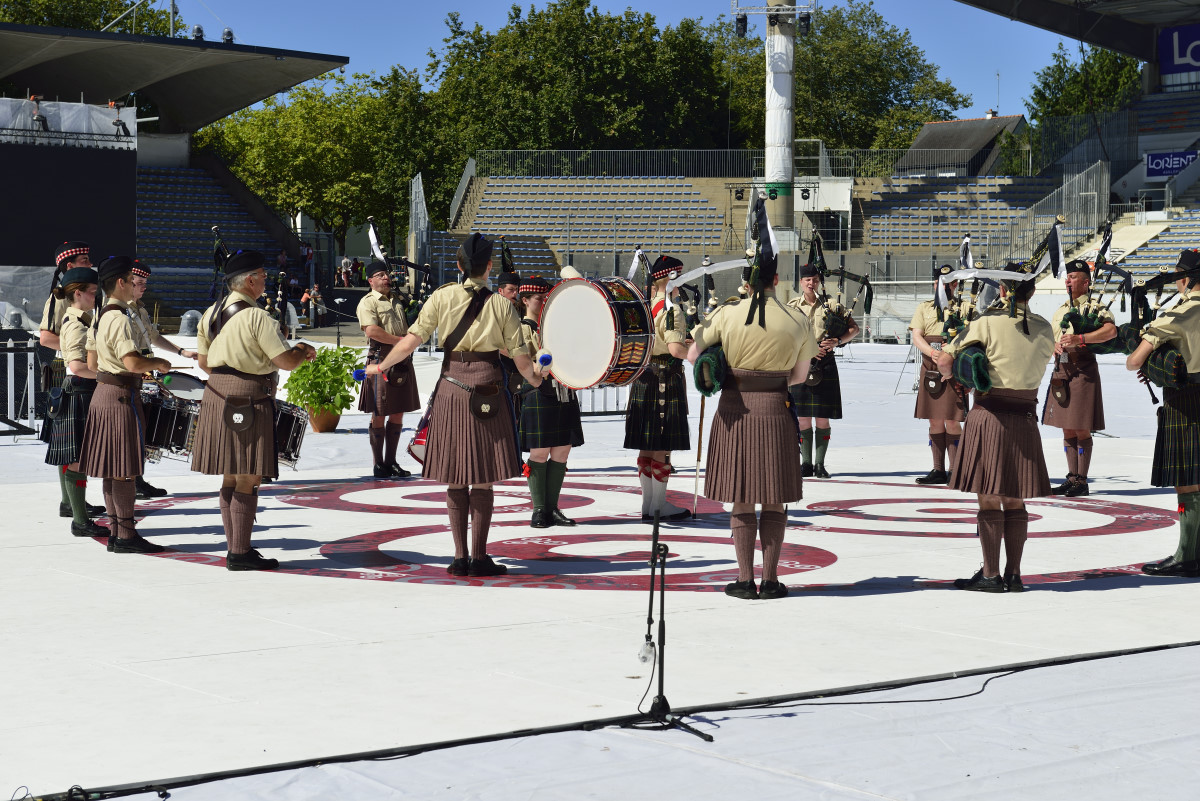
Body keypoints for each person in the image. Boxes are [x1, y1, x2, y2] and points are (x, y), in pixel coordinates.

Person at [367, 232, 543, 578]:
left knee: (455, 476)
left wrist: (379, 367)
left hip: (451, 386)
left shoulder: (441, 297)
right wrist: (537, 379)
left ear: (460, 266)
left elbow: (409, 343)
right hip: (489, 387)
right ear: (489, 268)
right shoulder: (502, 305)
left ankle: (459, 557)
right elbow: (522, 361)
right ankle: (479, 557)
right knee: (484, 479)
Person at [687, 240, 817, 600]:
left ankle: (745, 580)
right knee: (774, 498)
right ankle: (772, 580)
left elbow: (695, 355)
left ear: (748, 282)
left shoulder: (726, 314)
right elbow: (800, 377)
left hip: (734, 409)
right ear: (776, 279)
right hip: (776, 408)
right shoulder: (797, 318)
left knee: (741, 496)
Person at [191, 250, 317, 571]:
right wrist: (302, 348)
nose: (266, 280)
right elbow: (286, 362)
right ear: (249, 281)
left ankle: (236, 547)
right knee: (249, 475)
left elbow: (204, 363)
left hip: (217, 392)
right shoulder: (257, 316)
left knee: (230, 475)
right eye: (262, 275)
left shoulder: (210, 313)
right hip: (248, 396)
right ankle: (240, 552)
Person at [934, 265, 1055, 592]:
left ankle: (990, 574)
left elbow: (945, 362)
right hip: (1026, 416)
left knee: (989, 499)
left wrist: (957, 368)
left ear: (1003, 290)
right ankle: (1014, 575)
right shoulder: (1045, 328)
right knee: (1015, 499)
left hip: (989, 414)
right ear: (1031, 292)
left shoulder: (985, 323)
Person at [77, 256, 173, 554]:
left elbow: (92, 362)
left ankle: (119, 533)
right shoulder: (119, 317)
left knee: (111, 469)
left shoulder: (100, 315)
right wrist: (159, 363)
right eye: (133, 280)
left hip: (103, 393)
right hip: (120, 397)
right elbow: (132, 361)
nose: (136, 285)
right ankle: (126, 536)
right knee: (125, 470)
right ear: (121, 282)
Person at [1126, 248, 1200, 577]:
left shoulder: (1176, 316)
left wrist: (1155, 361)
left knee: (1187, 485)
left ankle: (1187, 555)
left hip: (1186, 403)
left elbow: (1133, 361)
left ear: (1184, 279)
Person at [39, 241, 104, 520]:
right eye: (85, 259)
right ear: (69, 266)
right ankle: (70, 502)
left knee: (70, 443)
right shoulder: (61, 298)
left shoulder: (86, 292)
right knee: (68, 443)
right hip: (65, 370)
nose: (90, 263)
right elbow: (46, 337)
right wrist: (77, 352)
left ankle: (72, 502)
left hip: (77, 367)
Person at [1042, 259, 1118, 497]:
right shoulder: (1061, 309)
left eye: (1073, 277)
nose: (1068, 280)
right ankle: (1071, 477)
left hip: (1083, 368)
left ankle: (1082, 480)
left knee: (1081, 427)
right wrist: (1052, 346)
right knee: (1066, 427)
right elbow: (1052, 337)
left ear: (1086, 283)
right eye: (1068, 277)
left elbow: (1111, 331)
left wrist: (1081, 339)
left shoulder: (1096, 307)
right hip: (1061, 368)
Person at [128, 260, 199, 499]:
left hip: (144, 373)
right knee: (133, 430)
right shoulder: (119, 311)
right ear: (127, 282)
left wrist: (181, 352)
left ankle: (138, 479)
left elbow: (154, 337)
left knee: (143, 429)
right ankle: (130, 482)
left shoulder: (140, 310)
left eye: (145, 284)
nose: (143, 287)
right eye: (139, 283)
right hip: (131, 372)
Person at [627, 255, 691, 521]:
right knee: (662, 446)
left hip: (644, 376)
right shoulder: (672, 310)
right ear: (673, 279)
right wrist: (697, 349)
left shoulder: (643, 306)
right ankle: (659, 505)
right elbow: (676, 349)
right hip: (666, 378)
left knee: (646, 444)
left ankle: (648, 504)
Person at [517, 276, 584, 528]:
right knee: (540, 451)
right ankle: (539, 509)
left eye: (546, 298)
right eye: (539, 298)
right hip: (538, 389)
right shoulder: (521, 329)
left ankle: (553, 507)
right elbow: (524, 363)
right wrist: (540, 366)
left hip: (563, 389)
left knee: (561, 450)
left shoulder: (556, 325)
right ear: (525, 300)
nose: (543, 302)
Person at [787, 264, 858, 478]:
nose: (811, 283)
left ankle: (820, 464)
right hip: (801, 362)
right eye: (807, 280)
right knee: (803, 418)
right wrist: (807, 351)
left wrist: (837, 341)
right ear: (800, 282)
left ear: (819, 282)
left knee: (822, 418)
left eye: (815, 279)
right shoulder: (791, 307)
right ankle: (806, 464)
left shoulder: (832, 305)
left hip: (825, 364)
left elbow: (853, 329)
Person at [356, 261, 420, 478]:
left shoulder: (398, 300)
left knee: (398, 410)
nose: (386, 278)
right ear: (370, 280)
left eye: (387, 274)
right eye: (380, 275)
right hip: (381, 357)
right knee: (379, 411)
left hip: (402, 360)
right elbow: (372, 330)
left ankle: (392, 462)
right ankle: (378, 463)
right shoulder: (368, 302)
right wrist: (401, 341)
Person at [909, 265, 968, 485]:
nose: (941, 287)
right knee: (934, 421)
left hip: (955, 367)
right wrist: (932, 352)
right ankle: (938, 470)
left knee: (953, 421)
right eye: (937, 284)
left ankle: (955, 470)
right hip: (930, 366)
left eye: (946, 284)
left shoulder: (964, 308)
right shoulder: (924, 308)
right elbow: (917, 336)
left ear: (954, 285)